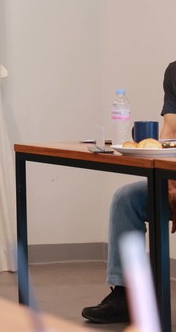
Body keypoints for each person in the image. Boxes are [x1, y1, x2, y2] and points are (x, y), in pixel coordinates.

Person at [81, 61, 176, 324]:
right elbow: (170, 131)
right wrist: (170, 182)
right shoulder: (174, 72)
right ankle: (126, 296)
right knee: (128, 199)